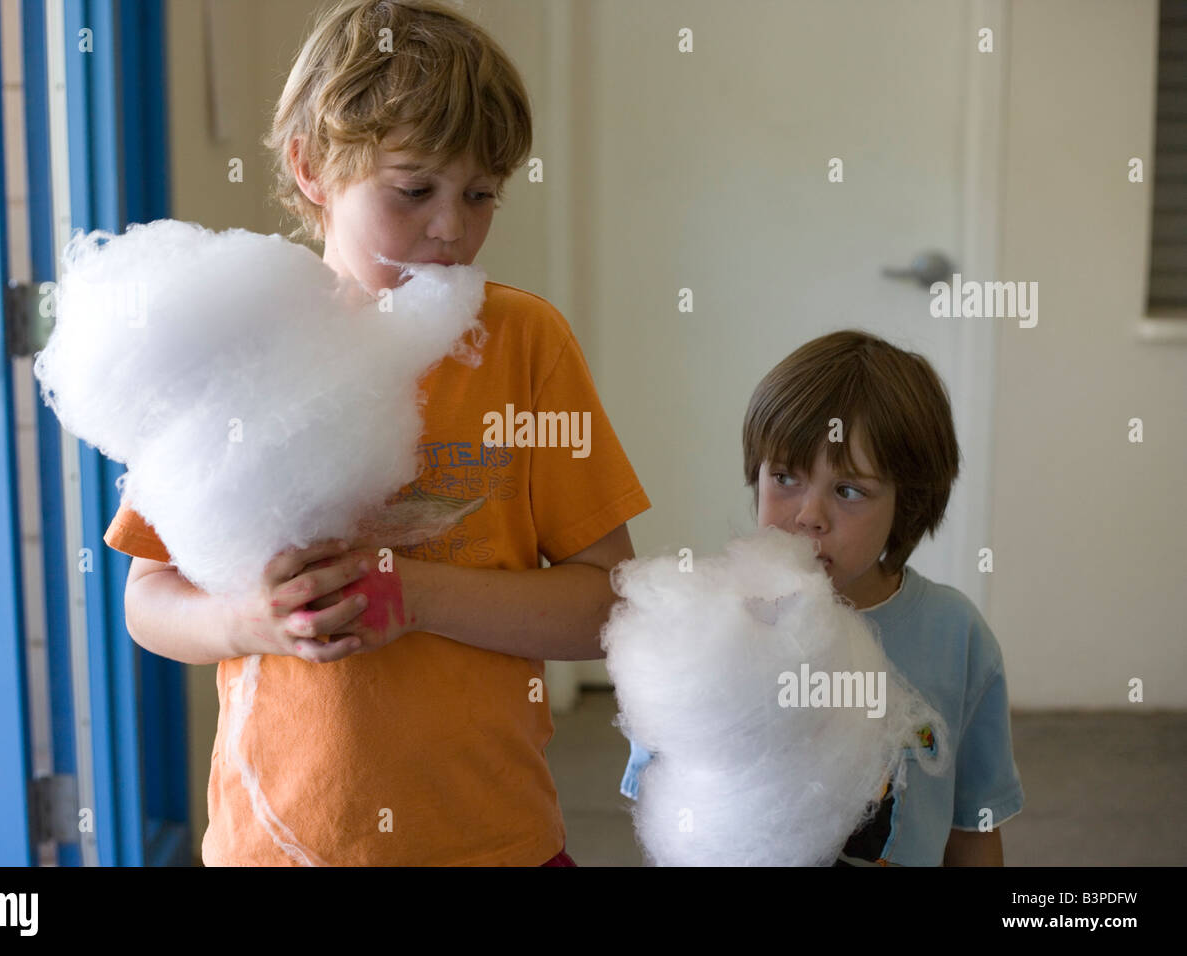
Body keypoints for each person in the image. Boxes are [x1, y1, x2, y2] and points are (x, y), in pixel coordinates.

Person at [107, 0, 649, 866]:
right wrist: (250, 622)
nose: (453, 228)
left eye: (481, 195)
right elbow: (147, 599)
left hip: (495, 838)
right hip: (275, 844)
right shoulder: (237, 339)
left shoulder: (525, 344)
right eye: (414, 189)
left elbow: (607, 605)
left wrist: (416, 595)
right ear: (311, 167)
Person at [619, 330, 1023, 866]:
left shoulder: (955, 636)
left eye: (849, 490)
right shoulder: (702, 631)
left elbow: (973, 828)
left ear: (909, 504)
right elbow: (674, 814)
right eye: (785, 477)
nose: (809, 515)